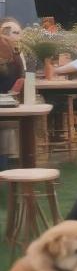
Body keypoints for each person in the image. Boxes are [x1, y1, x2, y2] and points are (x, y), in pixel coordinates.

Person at [0, 18, 24, 170]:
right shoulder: (15, 57)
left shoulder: (16, 56)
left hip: (7, 105)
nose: (19, 36)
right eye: (15, 33)